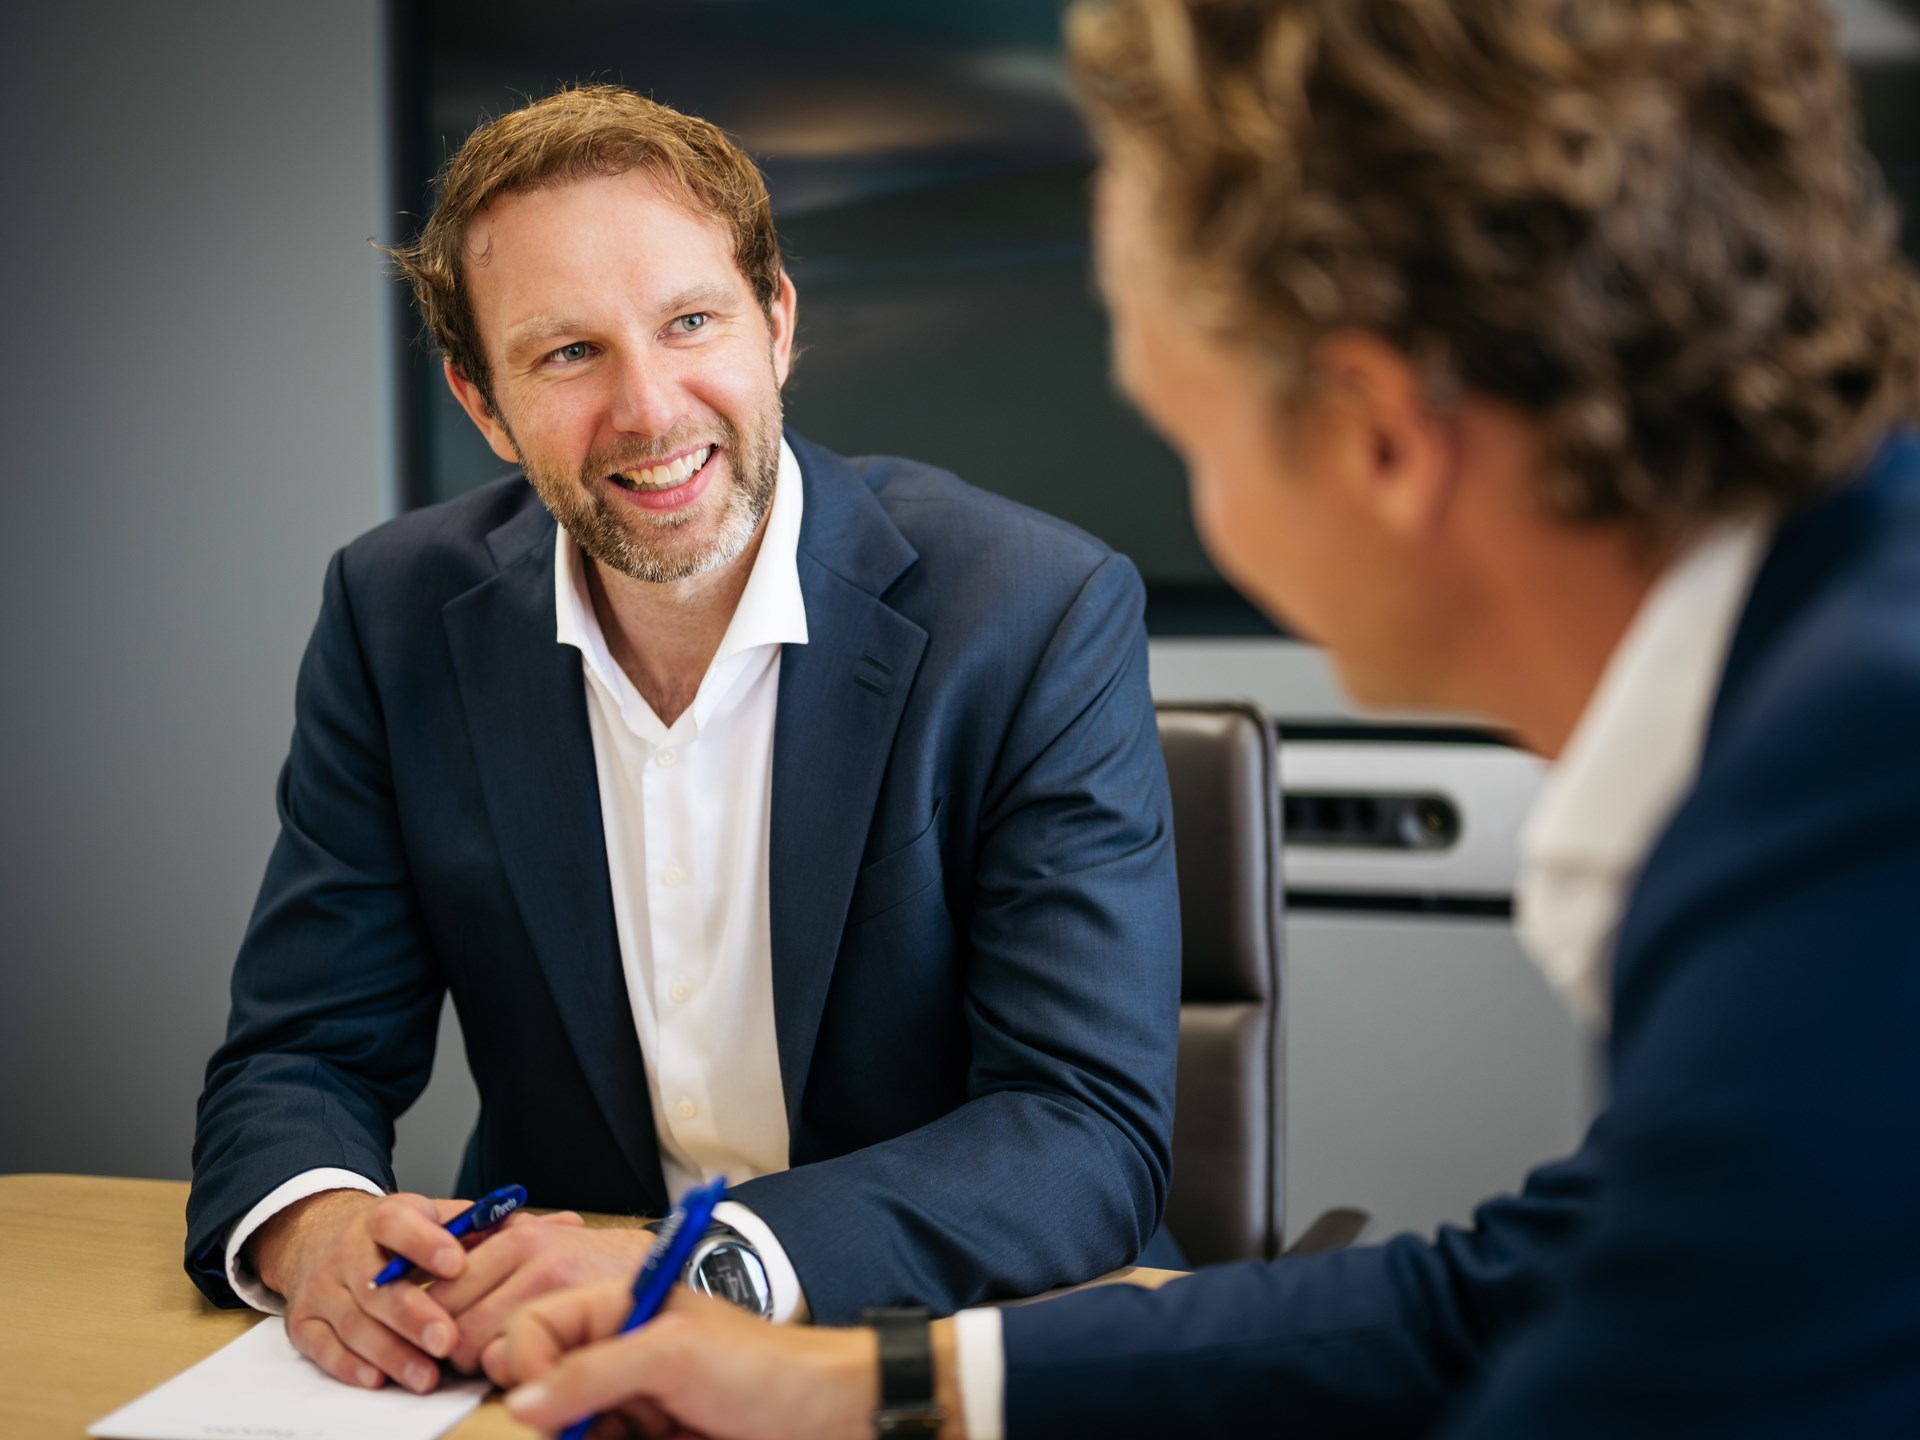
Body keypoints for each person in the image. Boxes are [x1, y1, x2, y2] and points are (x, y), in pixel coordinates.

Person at [492, 0, 1920, 1435]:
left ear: (1376, 438)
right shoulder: (1829, 687)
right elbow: (1531, 1290)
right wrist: (872, 1386)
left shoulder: (1850, 809)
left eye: (1184, 432)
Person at [183, 85, 1184, 1399]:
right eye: (565, 354)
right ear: (483, 404)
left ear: (777, 323)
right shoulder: (396, 617)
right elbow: (302, 1047)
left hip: (936, 1360)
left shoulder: (1031, 610)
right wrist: (310, 1227)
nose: (649, 410)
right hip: (548, 1371)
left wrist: (708, 1266)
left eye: (691, 321)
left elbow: (1085, 1129)